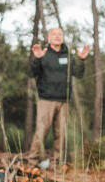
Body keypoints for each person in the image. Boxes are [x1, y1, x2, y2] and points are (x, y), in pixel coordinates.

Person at [26, 27, 90, 166]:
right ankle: (31, 163)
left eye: (60, 34)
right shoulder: (43, 54)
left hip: (63, 101)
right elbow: (31, 73)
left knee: (60, 135)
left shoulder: (67, 55)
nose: (57, 36)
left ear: (62, 37)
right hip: (46, 100)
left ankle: (56, 164)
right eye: (54, 34)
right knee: (41, 133)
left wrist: (81, 60)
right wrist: (37, 59)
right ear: (49, 38)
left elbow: (78, 74)